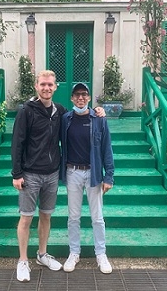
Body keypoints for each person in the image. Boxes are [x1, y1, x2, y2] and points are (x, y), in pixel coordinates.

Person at [11, 70, 105, 282]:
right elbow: (17, 143)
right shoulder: (26, 111)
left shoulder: (59, 112)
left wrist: (99, 111)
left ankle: (42, 255)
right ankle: (23, 261)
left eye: (50, 85)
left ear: (55, 88)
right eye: (43, 84)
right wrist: (16, 173)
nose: (46, 88)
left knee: (46, 216)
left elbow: (80, 116)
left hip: (52, 174)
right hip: (30, 173)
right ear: (37, 86)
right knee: (26, 217)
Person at [60, 82, 114, 274]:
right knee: (73, 217)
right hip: (72, 172)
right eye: (77, 95)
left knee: (97, 218)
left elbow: (107, 148)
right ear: (72, 98)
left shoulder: (98, 119)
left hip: (93, 173)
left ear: (89, 98)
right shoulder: (65, 119)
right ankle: (74, 252)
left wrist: (109, 176)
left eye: (84, 94)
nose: (81, 98)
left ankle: (101, 253)